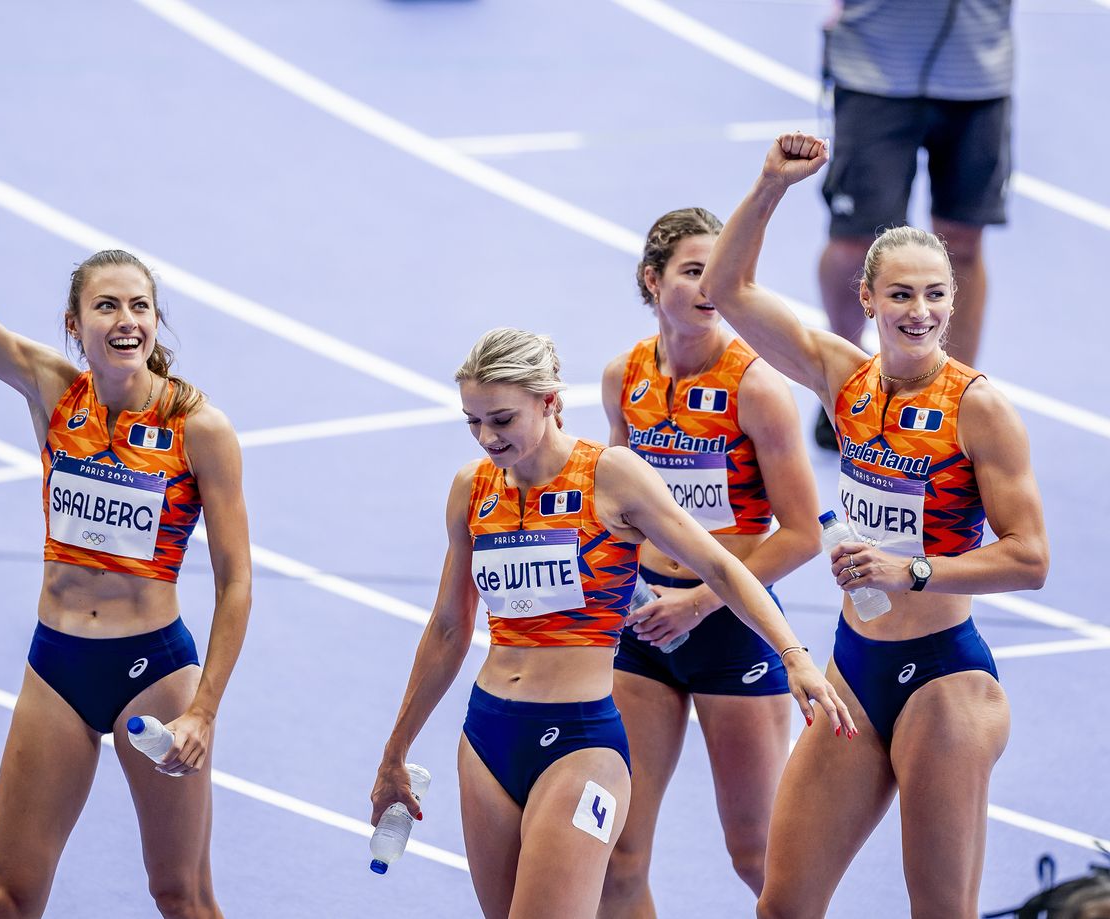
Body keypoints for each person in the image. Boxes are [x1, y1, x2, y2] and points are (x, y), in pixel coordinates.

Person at [0, 80, 252, 919]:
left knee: (181, 894)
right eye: (105, 305)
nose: (126, 319)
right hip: (56, 664)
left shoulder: (199, 427)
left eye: (140, 306)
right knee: (8, 896)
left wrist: (206, 711)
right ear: (74, 325)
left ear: (157, 322)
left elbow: (236, 580)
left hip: (156, 671)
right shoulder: (50, 389)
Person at [370, 327, 852, 919]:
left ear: (549, 402)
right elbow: (449, 626)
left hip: (580, 741)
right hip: (488, 734)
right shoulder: (473, 488)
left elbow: (723, 568)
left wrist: (794, 655)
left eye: (501, 418)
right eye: (473, 422)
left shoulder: (611, 475)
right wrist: (395, 751)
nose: (487, 437)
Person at [702, 132, 1049, 919]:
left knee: (940, 912)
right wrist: (769, 186)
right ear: (867, 299)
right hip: (855, 669)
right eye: (900, 295)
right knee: (782, 905)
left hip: (944, 681)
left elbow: (1031, 559)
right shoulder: (842, 375)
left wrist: (913, 570)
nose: (918, 312)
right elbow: (727, 289)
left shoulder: (980, 410)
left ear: (953, 301)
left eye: (933, 294)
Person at [597, 208, 822, 915]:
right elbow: (616, 506)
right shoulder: (624, 377)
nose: (709, 287)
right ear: (651, 279)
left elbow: (803, 534)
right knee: (619, 854)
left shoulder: (755, 388)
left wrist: (697, 600)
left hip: (732, 631)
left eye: (720, 272)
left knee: (757, 855)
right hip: (644, 630)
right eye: (693, 271)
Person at [813, 0, 1013, 448]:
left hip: (978, 72)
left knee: (963, 242)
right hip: (875, 69)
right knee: (855, 242)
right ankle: (844, 378)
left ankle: (951, 398)